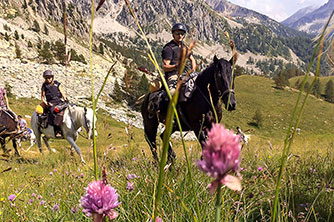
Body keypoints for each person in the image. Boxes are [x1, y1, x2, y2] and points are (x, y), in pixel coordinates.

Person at [161, 22, 196, 95]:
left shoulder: (184, 47)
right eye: (177, 33)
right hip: (173, 75)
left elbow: (192, 59)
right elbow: (165, 67)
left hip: (187, 74)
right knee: (172, 93)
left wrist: (193, 71)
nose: (180, 35)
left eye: (182, 33)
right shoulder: (169, 48)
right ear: (173, 34)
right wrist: (176, 66)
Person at [40, 70, 67, 137]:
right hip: (51, 103)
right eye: (46, 78)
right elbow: (43, 97)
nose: (48, 79)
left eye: (49, 77)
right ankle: (57, 131)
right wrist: (47, 103)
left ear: (52, 77)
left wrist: (66, 100)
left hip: (59, 101)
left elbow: (62, 93)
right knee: (53, 112)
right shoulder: (44, 86)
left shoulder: (57, 84)